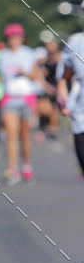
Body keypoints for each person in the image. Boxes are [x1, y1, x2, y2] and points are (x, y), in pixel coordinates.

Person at [0, 23, 43, 184]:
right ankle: (12, 169)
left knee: (25, 135)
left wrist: (25, 73)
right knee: (11, 134)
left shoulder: (29, 54)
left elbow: (36, 76)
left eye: (17, 37)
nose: (14, 40)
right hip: (9, 98)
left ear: (22, 38)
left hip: (27, 98)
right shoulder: (3, 54)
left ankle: (26, 166)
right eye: (11, 37)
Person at [57, 15, 84, 177]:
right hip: (80, 96)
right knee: (80, 131)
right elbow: (66, 74)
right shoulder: (75, 41)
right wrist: (63, 95)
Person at [36, 34, 63, 143]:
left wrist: (59, 87)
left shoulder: (60, 57)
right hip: (46, 87)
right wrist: (45, 85)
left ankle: (53, 128)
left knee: (53, 110)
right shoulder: (44, 60)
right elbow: (39, 73)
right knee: (43, 110)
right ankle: (43, 128)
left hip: (57, 86)